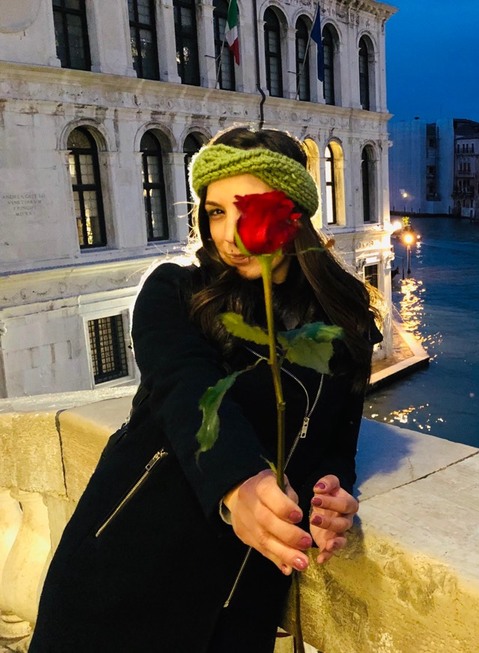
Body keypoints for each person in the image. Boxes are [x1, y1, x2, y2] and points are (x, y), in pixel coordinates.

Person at [30, 126, 381, 652]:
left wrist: (330, 497)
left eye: (249, 209)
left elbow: (334, 446)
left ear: (292, 215)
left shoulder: (344, 325)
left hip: (238, 606)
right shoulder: (174, 292)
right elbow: (184, 387)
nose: (228, 233)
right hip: (119, 580)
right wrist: (240, 481)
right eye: (216, 212)